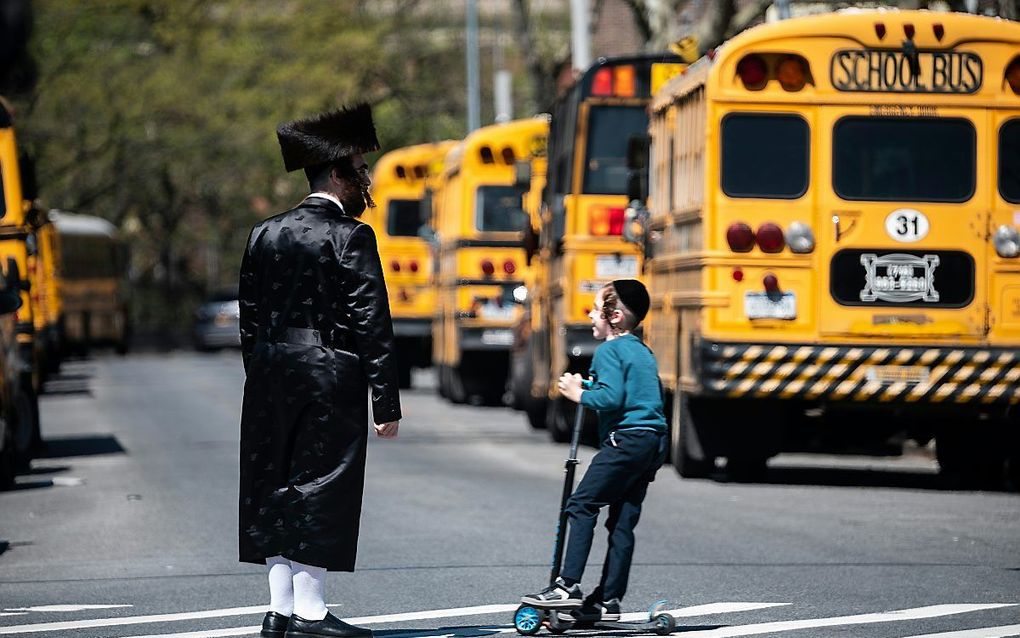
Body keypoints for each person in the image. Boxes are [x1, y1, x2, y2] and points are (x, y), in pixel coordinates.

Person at [238, 103, 401, 638]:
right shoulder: (350, 236)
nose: (365, 181)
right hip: (329, 371)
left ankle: (279, 611)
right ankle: (309, 613)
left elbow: (250, 318)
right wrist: (386, 401)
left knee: (275, 485)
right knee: (319, 487)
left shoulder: (264, 232)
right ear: (337, 173)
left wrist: (260, 373)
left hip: (268, 372)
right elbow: (371, 322)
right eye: (359, 169)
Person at [521, 279, 667, 620]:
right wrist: (587, 384)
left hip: (626, 440)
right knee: (622, 521)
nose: (589, 314)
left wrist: (579, 395)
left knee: (582, 504)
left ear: (614, 316)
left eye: (595, 308)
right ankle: (608, 599)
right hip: (652, 441)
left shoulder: (609, 351)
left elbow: (611, 398)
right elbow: (633, 391)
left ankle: (566, 585)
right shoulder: (642, 351)